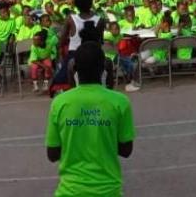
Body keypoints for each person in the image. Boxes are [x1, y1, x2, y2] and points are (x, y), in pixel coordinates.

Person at [46, 41, 135, 197]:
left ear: (74, 68)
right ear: (104, 68)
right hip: (108, 190)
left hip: (70, 191)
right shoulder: (119, 102)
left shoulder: (60, 103)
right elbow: (126, 150)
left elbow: (52, 154)